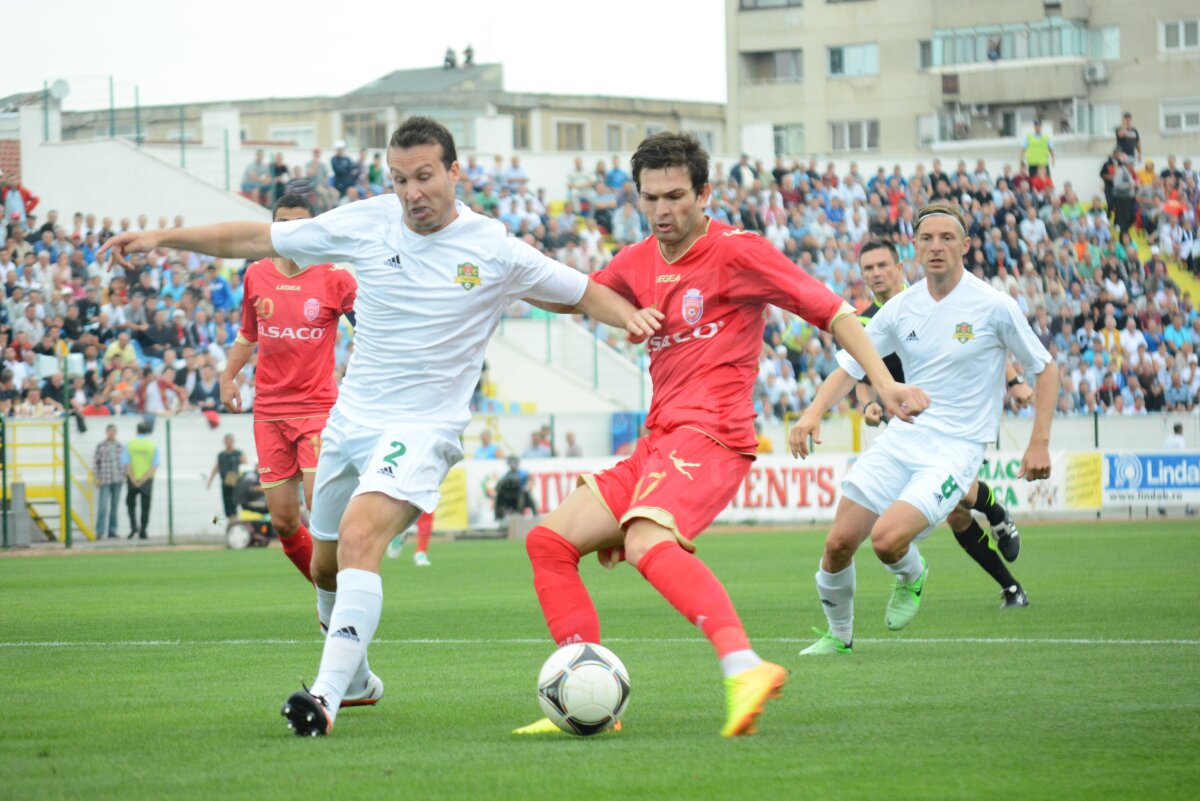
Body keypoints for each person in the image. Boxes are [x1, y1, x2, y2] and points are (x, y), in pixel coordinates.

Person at [100, 115, 660, 738]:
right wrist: (162, 237)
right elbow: (258, 237)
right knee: (325, 568)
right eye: (399, 180)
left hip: (423, 427)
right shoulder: (367, 220)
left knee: (362, 534)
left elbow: (581, 291)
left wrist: (635, 321)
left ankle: (323, 698)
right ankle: (359, 679)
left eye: (424, 177)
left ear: (454, 172)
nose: (412, 193)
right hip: (349, 422)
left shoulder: (493, 247)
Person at [512, 132, 928, 738]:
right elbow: (580, 297)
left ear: (704, 193)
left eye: (676, 196)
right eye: (650, 198)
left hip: (712, 434)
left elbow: (834, 311)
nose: (662, 210)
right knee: (548, 542)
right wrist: (506, 276)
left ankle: (744, 667)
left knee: (645, 540)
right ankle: (585, 690)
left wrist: (884, 384)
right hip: (658, 440)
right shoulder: (637, 261)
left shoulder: (738, 251)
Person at [789, 202, 1056, 657]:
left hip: (957, 448)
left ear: (965, 246)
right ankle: (839, 637)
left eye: (947, 238)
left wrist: (1039, 442)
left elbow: (1045, 368)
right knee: (837, 543)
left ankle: (912, 575)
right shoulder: (900, 308)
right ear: (914, 247)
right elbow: (850, 366)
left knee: (887, 540)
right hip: (904, 436)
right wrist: (812, 412)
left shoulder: (994, 305)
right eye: (927, 239)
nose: (936, 247)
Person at [851, 239, 1032, 610]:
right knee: (956, 513)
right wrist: (868, 404)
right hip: (908, 426)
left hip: (955, 419)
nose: (877, 274)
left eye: (883, 265)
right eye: (868, 268)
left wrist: (1014, 381)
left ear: (900, 267)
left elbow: (977, 343)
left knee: (960, 497)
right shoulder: (865, 322)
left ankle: (997, 514)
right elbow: (859, 375)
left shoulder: (931, 301)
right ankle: (1011, 586)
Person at [217, 192, 357, 586]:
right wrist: (228, 376)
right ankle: (330, 590)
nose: (291, 231)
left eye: (300, 224)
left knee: (321, 509)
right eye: (283, 224)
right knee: (283, 521)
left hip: (317, 410)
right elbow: (248, 333)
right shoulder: (256, 274)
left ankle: (350, 587)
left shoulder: (335, 277)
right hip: (269, 412)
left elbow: (371, 331)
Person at [122, 419, 158, 539]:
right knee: (145, 507)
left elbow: (126, 463)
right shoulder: (152, 445)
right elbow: (155, 465)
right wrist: (143, 479)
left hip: (132, 479)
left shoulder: (129, 444)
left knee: (130, 504)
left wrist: (133, 478)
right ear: (147, 432)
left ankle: (133, 528)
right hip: (147, 480)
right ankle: (143, 530)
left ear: (136, 431)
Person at [207, 434, 246, 527]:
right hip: (225, 484)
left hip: (236, 484)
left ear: (233, 441)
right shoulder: (221, 455)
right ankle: (231, 522)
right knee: (227, 504)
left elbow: (245, 464)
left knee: (234, 503)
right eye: (227, 441)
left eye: (230, 441)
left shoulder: (238, 453)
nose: (228, 443)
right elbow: (217, 467)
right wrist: (210, 480)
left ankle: (235, 522)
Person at [92, 424, 124, 539]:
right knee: (103, 506)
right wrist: (97, 478)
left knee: (114, 506)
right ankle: (99, 531)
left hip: (117, 479)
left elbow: (124, 463)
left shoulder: (120, 446)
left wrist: (124, 476)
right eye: (110, 431)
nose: (111, 433)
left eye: (113, 431)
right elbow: (96, 463)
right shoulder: (101, 446)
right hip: (105, 479)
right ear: (106, 432)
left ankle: (112, 530)